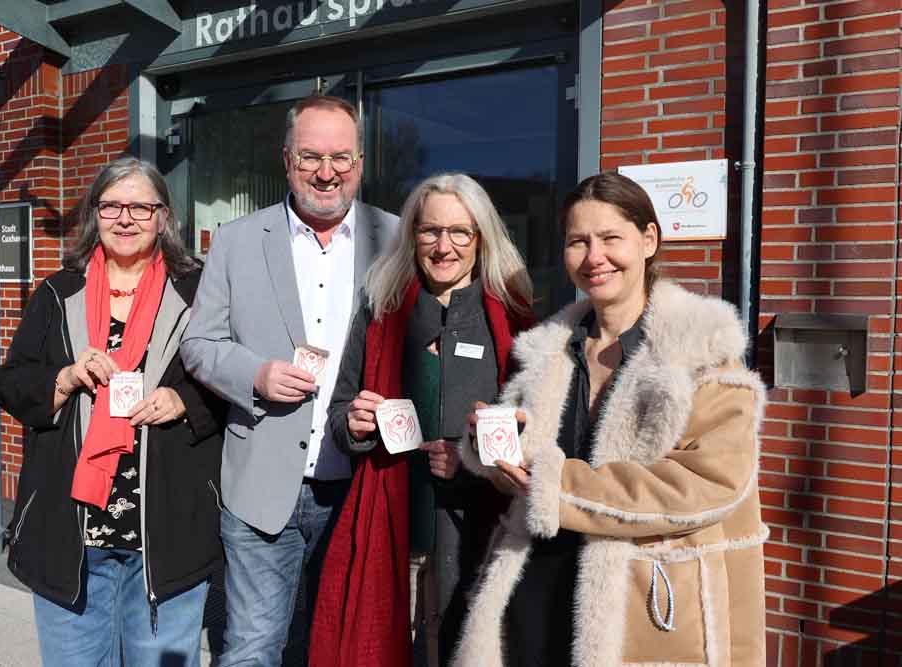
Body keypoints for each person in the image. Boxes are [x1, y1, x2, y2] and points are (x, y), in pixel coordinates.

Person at [452, 171, 768, 667]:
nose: (594, 257)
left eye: (610, 238)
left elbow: (707, 483)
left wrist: (557, 486)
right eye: (579, 241)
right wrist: (491, 444)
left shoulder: (702, 352)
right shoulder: (549, 348)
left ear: (649, 240)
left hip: (641, 605)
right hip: (536, 594)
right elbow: (517, 475)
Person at [180, 94, 398, 666]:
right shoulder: (236, 239)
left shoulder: (396, 239)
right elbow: (198, 343)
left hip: (359, 483)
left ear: (360, 162)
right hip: (261, 486)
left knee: (339, 646)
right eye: (310, 157)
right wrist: (254, 374)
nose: (326, 172)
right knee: (254, 647)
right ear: (286, 160)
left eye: (341, 158)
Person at [0, 156, 225, 666]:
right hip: (70, 538)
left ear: (164, 217)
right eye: (112, 205)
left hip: (167, 542)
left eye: (140, 207)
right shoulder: (58, 293)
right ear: (95, 215)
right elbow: (9, 383)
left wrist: (184, 400)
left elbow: (234, 386)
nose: (125, 218)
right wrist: (66, 377)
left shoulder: (201, 292)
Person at [309, 173, 535, 667]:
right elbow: (342, 411)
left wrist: (472, 458)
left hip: (477, 524)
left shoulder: (512, 314)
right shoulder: (381, 305)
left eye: (460, 232)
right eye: (430, 230)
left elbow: (532, 427)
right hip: (392, 519)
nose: (444, 246)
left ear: (481, 238)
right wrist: (356, 423)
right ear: (412, 235)